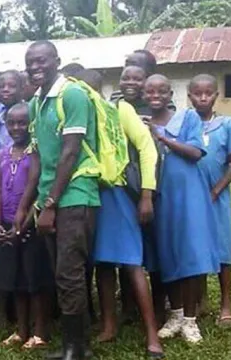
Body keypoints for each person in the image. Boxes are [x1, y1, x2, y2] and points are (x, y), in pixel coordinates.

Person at [17, 40, 99, 359]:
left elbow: (70, 153)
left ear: (57, 61)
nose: (36, 67)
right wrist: (35, 203)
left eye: (42, 61)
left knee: (69, 273)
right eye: (30, 62)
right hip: (51, 198)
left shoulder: (72, 95)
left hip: (75, 195)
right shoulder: (38, 101)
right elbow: (38, 155)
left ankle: (75, 349)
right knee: (64, 273)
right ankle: (76, 345)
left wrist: (50, 204)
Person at [136, 75, 217, 344]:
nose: (155, 95)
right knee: (167, 253)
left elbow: (195, 153)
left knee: (191, 254)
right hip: (160, 196)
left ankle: (191, 320)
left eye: (161, 91)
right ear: (144, 95)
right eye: (149, 91)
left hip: (188, 194)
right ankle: (176, 314)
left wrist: (162, 138)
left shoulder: (188, 118)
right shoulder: (141, 122)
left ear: (170, 93)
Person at [90, 77, 164, 356]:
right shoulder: (77, 113)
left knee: (132, 262)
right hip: (95, 195)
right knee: (103, 264)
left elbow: (146, 147)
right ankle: (109, 325)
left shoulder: (119, 110)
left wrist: (147, 194)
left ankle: (152, 333)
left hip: (121, 194)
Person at [0, 104, 52, 351]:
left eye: (22, 123)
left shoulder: (36, 153)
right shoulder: (1, 155)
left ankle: (40, 333)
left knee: (34, 280)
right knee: (15, 280)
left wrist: (23, 223)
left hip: (29, 225)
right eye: (12, 123)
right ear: (5, 124)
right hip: (7, 225)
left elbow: (35, 187)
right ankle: (21, 330)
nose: (17, 128)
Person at [190, 74, 231, 328]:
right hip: (192, 199)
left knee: (223, 251)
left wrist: (216, 190)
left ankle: (226, 305)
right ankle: (201, 300)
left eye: (208, 93)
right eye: (197, 93)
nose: (203, 98)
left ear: (216, 96)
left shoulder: (227, 124)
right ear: (189, 96)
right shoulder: (185, 123)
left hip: (217, 198)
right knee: (197, 248)